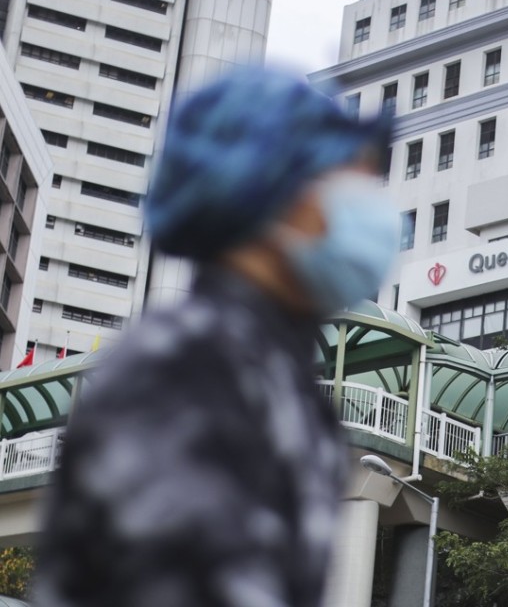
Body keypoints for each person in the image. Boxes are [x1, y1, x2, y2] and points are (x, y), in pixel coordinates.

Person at [33, 67, 399, 607]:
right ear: (275, 187)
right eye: (351, 181)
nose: (374, 208)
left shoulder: (268, 371)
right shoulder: (189, 366)